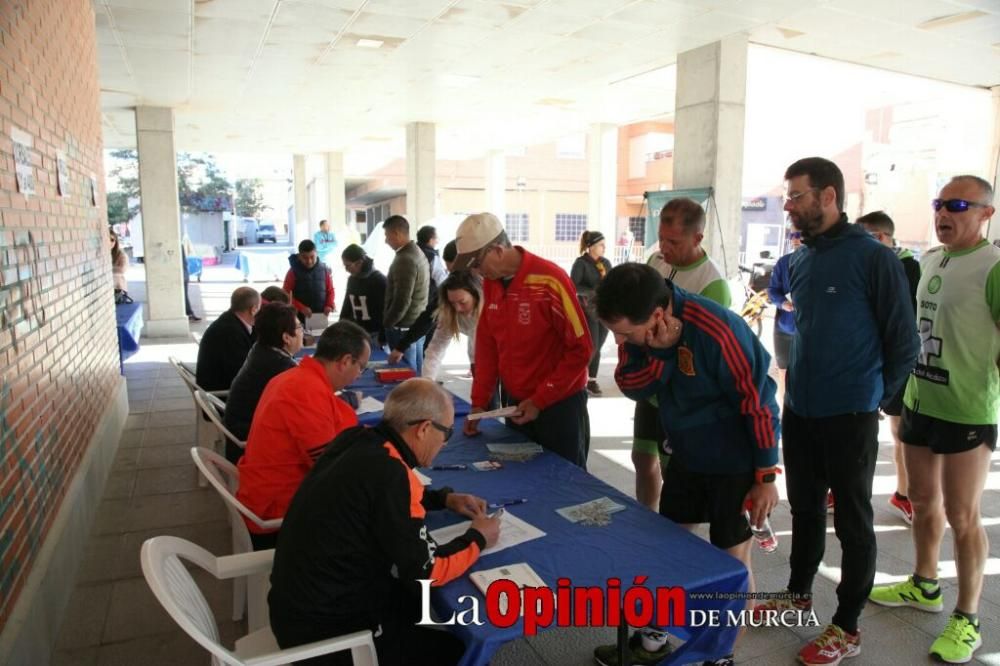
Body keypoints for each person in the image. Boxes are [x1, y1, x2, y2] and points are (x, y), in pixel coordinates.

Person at [753, 157, 918, 666]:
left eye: (796, 196)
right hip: (802, 409)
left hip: (850, 414)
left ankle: (846, 627)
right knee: (803, 510)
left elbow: (903, 341)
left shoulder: (873, 258)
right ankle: (798, 593)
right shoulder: (800, 260)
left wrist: (873, 398)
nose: (788, 205)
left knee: (852, 521)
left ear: (828, 196)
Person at [591, 262, 780, 666]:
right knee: (668, 549)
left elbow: (759, 402)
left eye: (625, 333)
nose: (621, 341)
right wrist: (658, 353)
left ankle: (721, 655)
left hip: (735, 460)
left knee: (732, 562)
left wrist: (765, 475)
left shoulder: (717, 329)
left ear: (658, 314)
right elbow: (631, 385)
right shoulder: (641, 331)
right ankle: (653, 641)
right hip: (685, 453)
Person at [269, 378, 501, 666]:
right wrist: (478, 537)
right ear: (424, 429)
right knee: (459, 651)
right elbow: (427, 572)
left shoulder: (356, 438)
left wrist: (443, 499)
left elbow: (374, 496)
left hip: (298, 605)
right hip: (327, 635)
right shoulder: (390, 474)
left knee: (420, 605)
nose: (445, 442)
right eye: (447, 433)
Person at [869, 176, 999, 664]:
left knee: (964, 516)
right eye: (939, 204)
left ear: (986, 213)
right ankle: (925, 585)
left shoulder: (995, 266)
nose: (945, 212)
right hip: (920, 399)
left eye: (958, 205)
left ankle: (968, 618)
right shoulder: (929, 261)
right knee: (924, 502)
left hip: (967, 410)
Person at [454, 212, 592, 467]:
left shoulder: (550, 280)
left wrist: (541, 400)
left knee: (565, 484)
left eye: (476, 264)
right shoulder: (491, 284)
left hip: (559, 405)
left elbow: (581, 350)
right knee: (521, 480)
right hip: (516, 405)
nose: (476, 272)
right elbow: (487, 347)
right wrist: (479, 403)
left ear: (496, 250)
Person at [633, 198, 732, 511]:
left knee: (671, 467)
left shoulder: (712, 283)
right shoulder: (655, 263)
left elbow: (704, 351)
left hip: (679, 393)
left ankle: (672, 535)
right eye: (661, 238)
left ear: (698, 238)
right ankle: (646, 521)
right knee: (641, 456)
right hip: (649, 385)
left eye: (673, 241)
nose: (665, 247)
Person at [236, 320, 370, 550]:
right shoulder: (306, 391)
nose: (360, 375)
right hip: (277, 510)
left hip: (268, 489)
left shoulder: (297, 377)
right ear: (345, 361)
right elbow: (330, 470)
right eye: (361, 367)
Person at [857, 210, 921, 524]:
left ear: (883, 238)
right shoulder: (860, 263)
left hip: (894, 364)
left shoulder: (908, 268)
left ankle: (904, 494)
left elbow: (904, 326)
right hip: (862, 363)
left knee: (899, 433)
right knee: (852, 434)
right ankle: (843, 492)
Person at [222, 303, 303, 460]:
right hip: (249, 441)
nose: (302, 332)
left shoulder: (260, 348)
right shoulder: (281, 366)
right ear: (286, 337)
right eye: (299, 328)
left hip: (239, 427)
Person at [382, 215, 429, 372]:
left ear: (396, 233)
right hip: (415, 325)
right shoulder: (417, 252)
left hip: (403, 327)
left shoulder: (405, 259)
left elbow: (402, 300)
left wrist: (388, 324)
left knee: (405, 375)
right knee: (416, 372)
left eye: (387, 236)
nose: (386, 241)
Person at [570, 230, 613, 396]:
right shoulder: (581, 264)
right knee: (592, 346)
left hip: (605, 310)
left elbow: (611, 281)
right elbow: (574, 286)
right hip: (588, 310)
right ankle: (578, 379)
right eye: (601, 245)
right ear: (591, 246)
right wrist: (593, 291)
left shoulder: (606, 263)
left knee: (599, 346)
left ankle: (591, 380)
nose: (604, 247)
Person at [195, 286, 260, 392]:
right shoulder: (230, 332)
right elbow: (241, 374)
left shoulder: (230, 319)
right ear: (253, 309)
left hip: (218, 386)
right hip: (221, 394)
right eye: (259, 308)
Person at [421, 271, 481, 381]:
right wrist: (427, 379)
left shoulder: (493, 309)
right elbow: (436, 348)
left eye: (463, 302)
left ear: (477, 296)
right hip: (477, 359)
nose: (457, 308)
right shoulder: (449, 313)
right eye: (452, 303)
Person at [766, 230, 803, 384]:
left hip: (810, 332)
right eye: (791, 235)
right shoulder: (784, 262)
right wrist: (783, 303)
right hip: (785, 329)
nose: (794, 238)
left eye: (799, 234)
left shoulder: (821, 263)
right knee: (784, 376)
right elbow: (772, 290)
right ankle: (785, 407)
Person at [339, 243, 387, 349]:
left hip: (375, 334)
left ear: (359, 262)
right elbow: (347, 304)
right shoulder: (352, 279)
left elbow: (386, 311)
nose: (346, 269)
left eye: (348, 265)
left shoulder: (379, 281)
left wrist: (383, 337)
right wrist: (340, 326)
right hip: (357, 332)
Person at [283, 239, 335, 322]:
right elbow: (285, 294)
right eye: (305, 258)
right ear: (299, 256)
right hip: (299, 318)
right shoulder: (292, 272)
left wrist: (329, 305)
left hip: (321, 316)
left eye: (312, 257)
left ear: (316, 253)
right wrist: (301, 308)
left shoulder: (324, 270)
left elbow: (330, 290)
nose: (309, 261)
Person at [181, 240, 200, 322]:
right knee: (183, 295)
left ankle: (189, 313)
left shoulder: (178, 244)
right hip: (182, 273)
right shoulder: (176, 244)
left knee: (184, 295)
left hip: (183, 273)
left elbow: (184, 261)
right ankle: (189, 313)